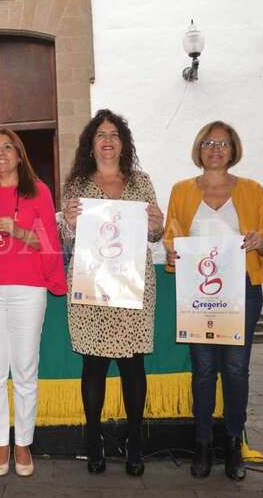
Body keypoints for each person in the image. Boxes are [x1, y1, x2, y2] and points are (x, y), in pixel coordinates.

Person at [164, 120, 263, 481]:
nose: (216, 148)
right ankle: (202, 444)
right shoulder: (181, 191)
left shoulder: (253, 190)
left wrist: (261, 243)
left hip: (242, 289)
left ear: (233, 149)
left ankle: (232, 444)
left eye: (224, 143)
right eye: (209, 142)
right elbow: (171, 238)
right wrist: (172, 255)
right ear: (200, 148)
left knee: (236, 370)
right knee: (204, 371)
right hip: (198, 294)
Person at [62, 109, 164, 477]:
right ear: (91, 144)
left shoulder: (141, 182)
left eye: (114, 134)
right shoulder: (76, 186)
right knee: (93, 366)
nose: (107, 140)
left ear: (123, 142)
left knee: (133, 365)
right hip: (92, 285)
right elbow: (67, 239)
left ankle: (135, 443)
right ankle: (94, 442)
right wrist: (69, 224)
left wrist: (157, 224)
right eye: (100, 134)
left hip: (133, 285)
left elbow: (154, 235)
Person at [0, 128, 67, 477]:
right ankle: (1, 443)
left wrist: (18, 230)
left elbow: (50, 244)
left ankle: (23, 442)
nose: (1, 153)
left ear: (20, 155)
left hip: (28, 289)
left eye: (8, 147)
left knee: (24, 367)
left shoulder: (38, 192)